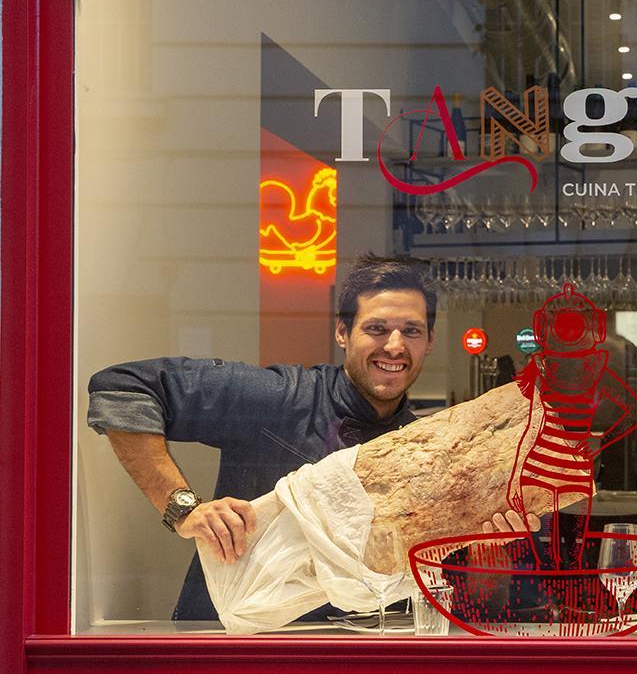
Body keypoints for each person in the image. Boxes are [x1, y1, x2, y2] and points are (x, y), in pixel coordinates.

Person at [88, 254, 534, 621]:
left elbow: (472, 604)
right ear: (342, 332)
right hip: (232, 645)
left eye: (411, 331)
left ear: (430, 340)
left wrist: (490, 552)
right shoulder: (276, 398)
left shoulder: (434, 451)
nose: (395, 346)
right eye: (377, 328)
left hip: (359, 655)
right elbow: (123, 385)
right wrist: (181, 507)